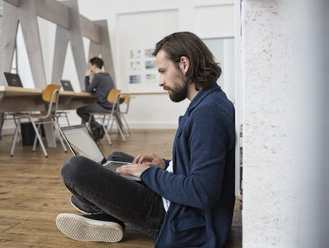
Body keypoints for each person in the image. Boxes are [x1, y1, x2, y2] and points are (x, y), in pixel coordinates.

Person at [56, 32, 236, 248]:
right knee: (116, 159)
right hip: (177, 204)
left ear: (184, 64)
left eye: (162, 71)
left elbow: (202, 192)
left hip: (177, 218)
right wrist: (166, 165)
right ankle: (107, 213)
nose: (160, 82)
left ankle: (106, 214)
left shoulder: (208, 115)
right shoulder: (210, 102)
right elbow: (202, 166)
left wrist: (149, 174)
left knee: (75, 170)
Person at [76, 57, 115, 141]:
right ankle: (96, 130)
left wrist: (86, 76)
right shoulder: (107, 75)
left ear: (93, 66)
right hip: (111, 106)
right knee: (89, 110)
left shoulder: (97, 76)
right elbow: (101, 89)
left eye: (90, 66)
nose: (90, 69)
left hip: (103, 106)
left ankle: (98, 126)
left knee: (80, 110)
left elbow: (88, 90)